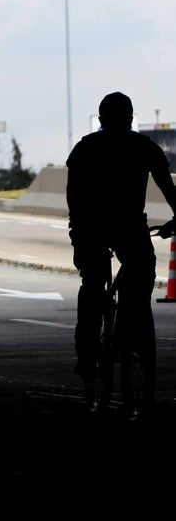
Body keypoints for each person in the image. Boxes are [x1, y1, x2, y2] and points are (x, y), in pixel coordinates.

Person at [66, 92, 176, 414]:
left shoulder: (85, 148)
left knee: (93, 284)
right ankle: (135, 324)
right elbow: (169, 191)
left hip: (90, 228)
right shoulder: (144, 147)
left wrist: (80, 228)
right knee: (140, 279)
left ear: (101, 120)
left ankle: (87, 355)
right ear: (130, 117)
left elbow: (74, 199)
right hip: (130, 228)